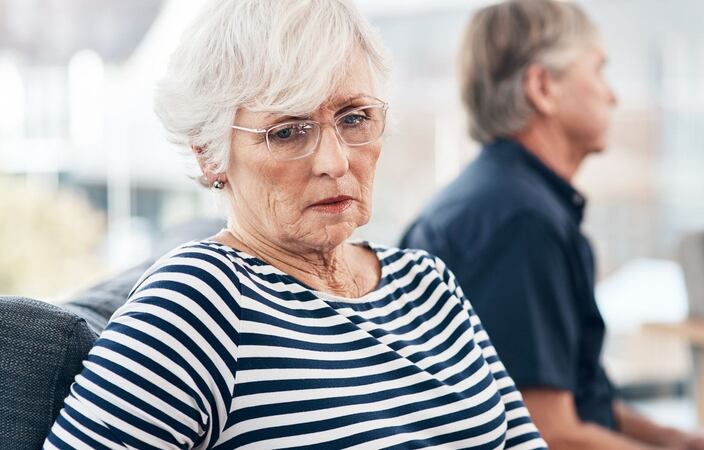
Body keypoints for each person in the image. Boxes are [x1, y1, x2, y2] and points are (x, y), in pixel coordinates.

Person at [43, 1, 546, 448]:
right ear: (209, 154)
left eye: (354, 118)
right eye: (287, 131)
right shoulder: (199, 302)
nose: (335, 161)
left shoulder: (429, 283)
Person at [400, 1, 704, 449]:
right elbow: (551, 434)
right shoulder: (521, 223)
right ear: (542, 87)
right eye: (599, 72)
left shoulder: (504, 199)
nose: (614, 96)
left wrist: (680, 440)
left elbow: (584, 401)